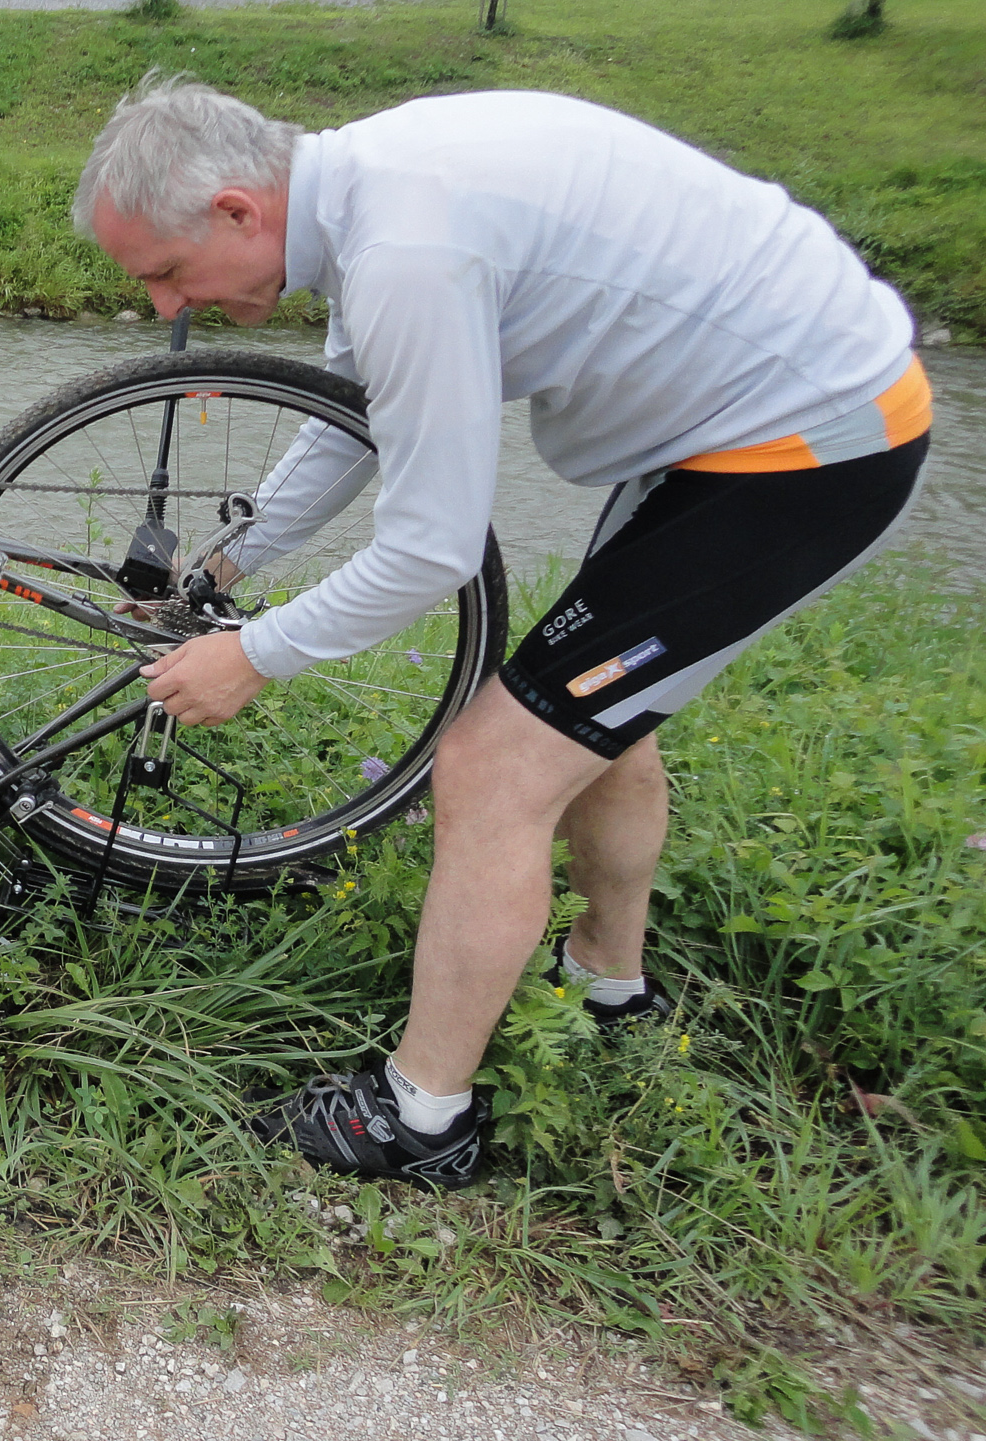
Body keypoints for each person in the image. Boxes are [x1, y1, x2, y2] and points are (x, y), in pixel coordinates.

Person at [74, 74, 932, 1188]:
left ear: (238, 210)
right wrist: (224, 569)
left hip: (804, 446)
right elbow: (357, 420)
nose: (161, 308)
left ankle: (421, 1117)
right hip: (738, 423)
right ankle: (607, 987)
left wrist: (253, 652)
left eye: (167, 274)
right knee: (594, 720)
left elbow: (432, 550)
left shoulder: (406, 250)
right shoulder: (363, 191)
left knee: (491, 762)